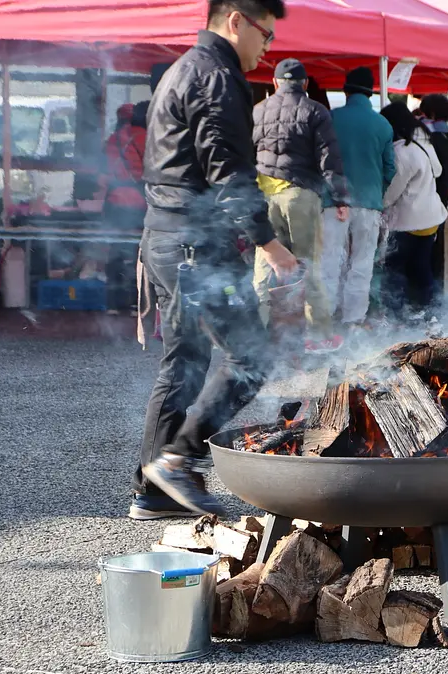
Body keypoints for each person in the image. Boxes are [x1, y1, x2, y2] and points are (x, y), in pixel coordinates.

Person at [131, 0, 295, 520]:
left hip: (167, 236)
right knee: (252, 357)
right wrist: (269, 242)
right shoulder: (216, 77)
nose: (267, 48)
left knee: (184, 362)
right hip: (194, 245)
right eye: (266, 35)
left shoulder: (184, 68)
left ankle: (154, 491)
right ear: (236, 21)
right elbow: (227, 170)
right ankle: (178, 460)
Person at [252, 58, 348, 354]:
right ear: (305, 84)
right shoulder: (315, 110)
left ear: (274, 82)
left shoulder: (258, 110)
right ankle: (319, 336)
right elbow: (329, 158)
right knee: (308, 265)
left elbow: (246, 153)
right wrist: (339, 198)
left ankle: (256, 334)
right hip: (301, 195)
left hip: (264, 196)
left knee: (265, 264)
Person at [320, 67, 396, 334]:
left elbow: (319, 159)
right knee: (362, 263)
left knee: (330, 261)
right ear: (371, 93)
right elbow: (390, 168)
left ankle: (325, 318)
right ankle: (353, 319)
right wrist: (377, 190)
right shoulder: (382, 124)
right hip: (369, 202)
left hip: (332, 201)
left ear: (345, 90)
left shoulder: (330, 118)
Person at [379, 102, 448, 321]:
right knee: (422, 268)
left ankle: (396, 317)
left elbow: (392, 192)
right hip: (431, 218)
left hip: (408, 221)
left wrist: (378, 204)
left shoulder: (402, 152)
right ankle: (431, 314)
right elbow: (438, 170)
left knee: (395, 271)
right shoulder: (424, 142)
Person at [103, 103, 147, 313]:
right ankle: (135, 302)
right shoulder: (145, 137)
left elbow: (102, 171)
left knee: (115, 251)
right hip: (138, 203)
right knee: (139, 253)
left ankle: (113, 302)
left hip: (114, 203)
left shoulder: (112, 140)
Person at [419, 94, 448, 296]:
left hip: (432, 191)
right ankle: (435, 288)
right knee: (436, 239)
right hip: (442, 192)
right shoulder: (444, 132)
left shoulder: (431, 135)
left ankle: (430, 291)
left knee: (429, 243)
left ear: (431, 112)